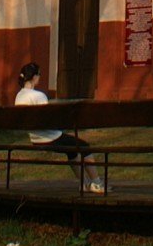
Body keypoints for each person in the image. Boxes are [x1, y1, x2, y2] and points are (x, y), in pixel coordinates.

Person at [15, 62, 102, 193]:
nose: (40, 77)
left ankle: (85, 183)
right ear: (33, 77)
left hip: (35, 139)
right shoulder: (38, 96)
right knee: (84, 147)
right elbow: (50, 120)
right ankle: (96, 183)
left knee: (71, 150)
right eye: (39, 74)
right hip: (50, 138)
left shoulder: (19, 97)